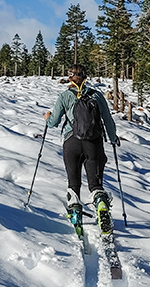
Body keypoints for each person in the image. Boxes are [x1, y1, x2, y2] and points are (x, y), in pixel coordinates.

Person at [43, 64, 119, 233]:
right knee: (95, 183)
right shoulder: (97, 96)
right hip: (94, 143)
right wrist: (113, 139)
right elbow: (108, 121)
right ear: (86, 77)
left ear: (70, 78)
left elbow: (53, 122)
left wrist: (47, 117)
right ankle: (100, 203)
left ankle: (75, 212)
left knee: (73, 180)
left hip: (71, 142)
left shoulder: (65, 96)